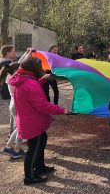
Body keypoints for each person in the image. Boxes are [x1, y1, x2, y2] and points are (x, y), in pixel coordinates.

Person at [10, 57, 68, 185]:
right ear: (33, 69)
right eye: (40, 67)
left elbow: (32, 87)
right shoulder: (29, 84)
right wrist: (61, 110)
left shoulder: (25, 79)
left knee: (41, 142)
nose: (42, 69)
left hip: (32, 120)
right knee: (33, 149)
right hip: (32, 122)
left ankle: (40, 167)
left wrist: (43, 79)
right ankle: (29, 176)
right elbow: (42, 105)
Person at [0, 62, 25, 159]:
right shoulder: (15, 77)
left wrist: (27, 54)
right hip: (17, 104)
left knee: (19, 127)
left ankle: (10, 147)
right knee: (21, 128)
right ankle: (15, 149)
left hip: (13, 103)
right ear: (16, 70)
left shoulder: (9, 76)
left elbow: (19, 65)